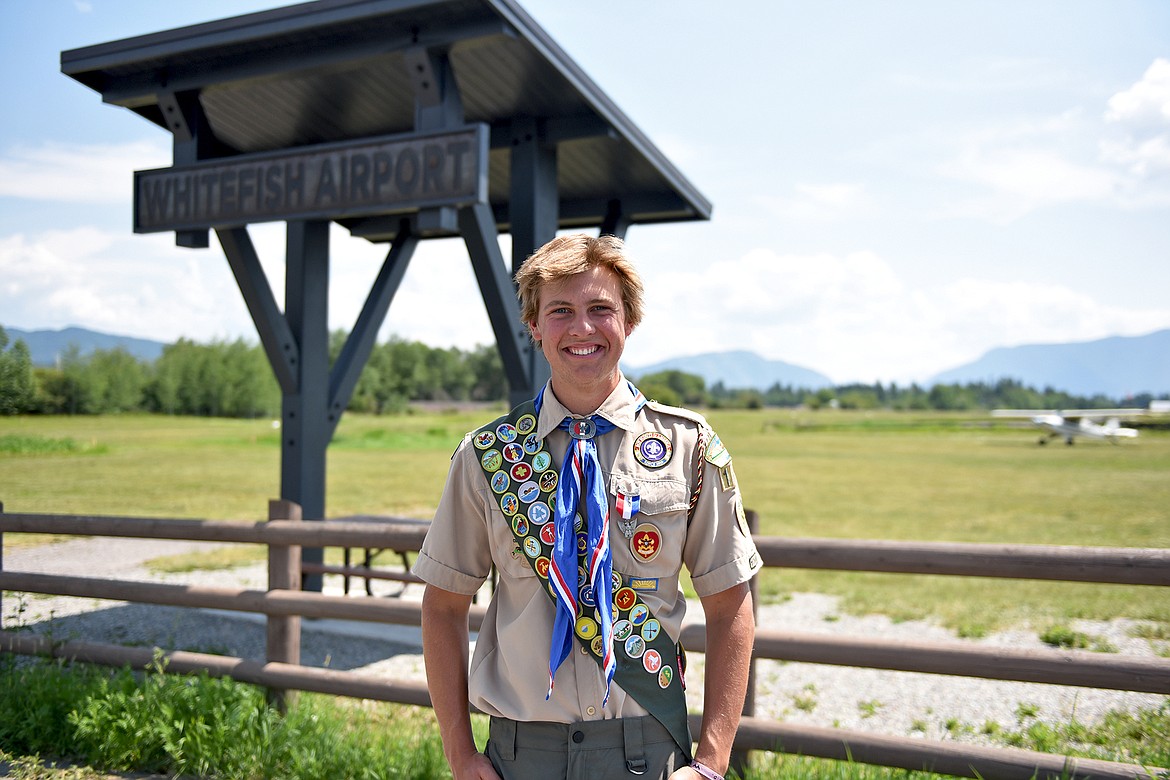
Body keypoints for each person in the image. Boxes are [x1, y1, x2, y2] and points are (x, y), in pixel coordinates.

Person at [413, 233, 761, 780]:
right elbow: (443, 605)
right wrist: (459, 753)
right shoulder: (487, 456)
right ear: (534, 326)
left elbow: (730, 604)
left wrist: (713, 762)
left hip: (648, 752)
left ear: (629, 320)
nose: (582, 328)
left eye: (601, 308)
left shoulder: (687, 447)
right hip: (521, 756)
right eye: (560, 311)